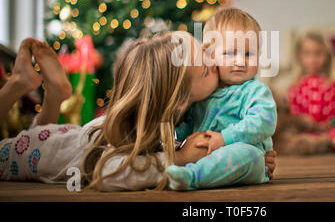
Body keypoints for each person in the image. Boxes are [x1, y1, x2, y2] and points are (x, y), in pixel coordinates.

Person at [0, 34, 276, 191]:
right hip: (19, 155)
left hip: (56, 136)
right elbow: (106, 173)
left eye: (205, 51)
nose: (214, 61)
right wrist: (178, 158)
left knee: (36, 134)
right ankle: (19, 86)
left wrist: (255, 150)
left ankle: (54, 95)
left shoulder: (172, 117)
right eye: (205, 68)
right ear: (179, 102)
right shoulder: (110, 144)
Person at [166, 8, 277, 190]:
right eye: (230, 54)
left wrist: (225, 138)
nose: (240, 61)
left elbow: (264, 121)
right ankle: (190, 172)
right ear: (210, 56)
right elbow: (189, 124)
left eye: (249, 54)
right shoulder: (205, 92)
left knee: (248, 155)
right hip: (202, 155)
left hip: (248, 157)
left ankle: (192, 177)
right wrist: (176, 140)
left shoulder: (255, 91)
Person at [277, 32, 335, 155]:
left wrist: (331, 123)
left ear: (327, 55)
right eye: (307, 53)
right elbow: (293, 113)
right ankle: (314, 146)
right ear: (300, 57)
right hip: (304, 133)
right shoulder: (295, 87)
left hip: (330, 131)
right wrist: (308, 124)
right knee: (290, 140)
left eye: (318, 54)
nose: (312, 59)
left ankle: (323, 145)